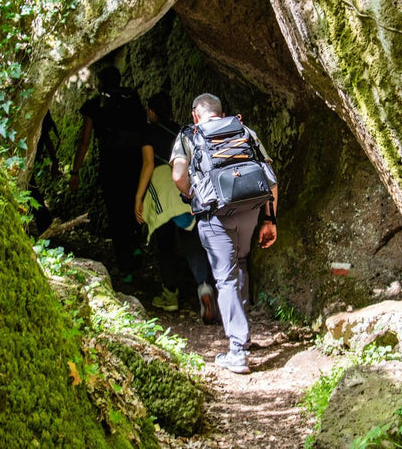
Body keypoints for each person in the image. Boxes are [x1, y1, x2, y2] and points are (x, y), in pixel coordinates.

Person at [170, 93, 278, 373]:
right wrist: (270, 218)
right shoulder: (244, 131)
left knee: (224, 276)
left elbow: (178, 176)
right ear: (222, 112)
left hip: (214, 213)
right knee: (240, 263)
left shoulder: (188, 136)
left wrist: (193, 194)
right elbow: (270, 177)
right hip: (250, 208)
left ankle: (238, 350)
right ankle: (244, 334)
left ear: (195, 115)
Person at [134, 93, 217, 323]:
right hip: (183, 184)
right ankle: (204, 286)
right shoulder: (181, 130)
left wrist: (139, 197)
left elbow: (149, 164)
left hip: (161, 186)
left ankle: (170, 295)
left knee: (165, 243)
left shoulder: (147, 131)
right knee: (191, 238)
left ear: (151, 112)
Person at [69, 66, 146, 279]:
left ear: (100, 83)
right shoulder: (132, 99)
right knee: (134, 207)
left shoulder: (95, 104)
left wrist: (74, 172)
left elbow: (84, 141)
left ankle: (125, 267)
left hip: (111, 165)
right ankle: (136, 250)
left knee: (116, 212)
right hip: (135, 163)